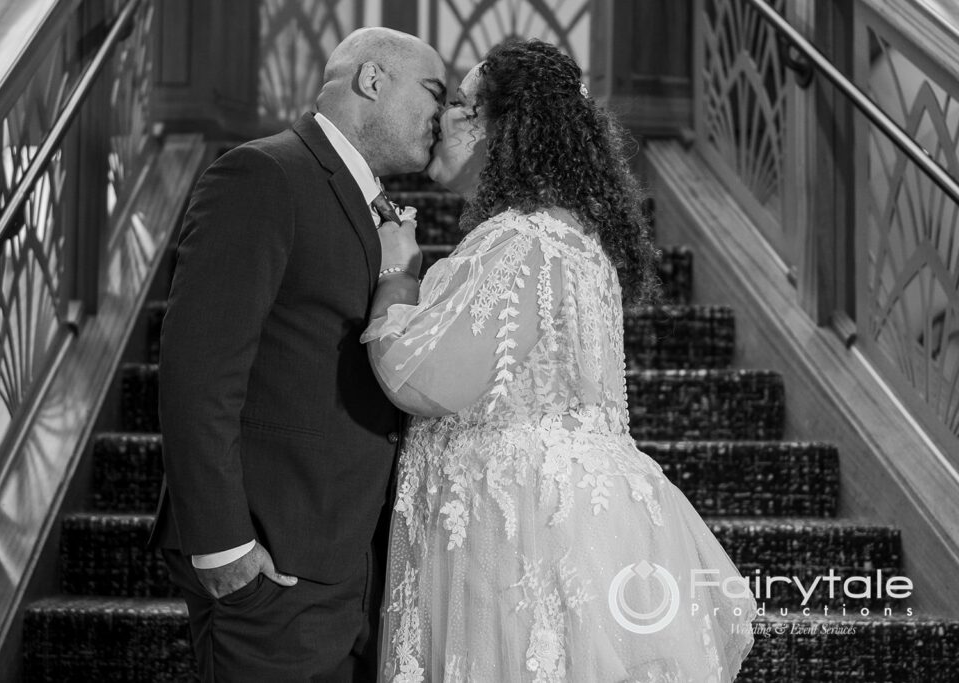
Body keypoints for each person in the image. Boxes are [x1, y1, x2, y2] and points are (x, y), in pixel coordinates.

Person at [363, 39, 758, 681]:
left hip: (517, 535)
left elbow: (418, 378)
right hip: (548, 518)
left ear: (498, 127)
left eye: (460, 103)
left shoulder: (523, 240)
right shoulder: (564, 236)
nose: (443, 119)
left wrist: (397, 275)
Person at [148, 28, 446, 681]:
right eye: (433, 91)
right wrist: (224, 545)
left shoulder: (374, 207)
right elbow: (198, 372)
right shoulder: (264, 173)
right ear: (372, 79)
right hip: (271, 562)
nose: (442, 115)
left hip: (352, 561)